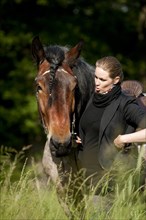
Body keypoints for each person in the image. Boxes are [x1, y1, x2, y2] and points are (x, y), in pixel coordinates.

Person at [76, 56, 146, 193]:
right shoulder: (92, 99)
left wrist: (124, 139)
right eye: (95, 77)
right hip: (83, 181)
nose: (97, 83)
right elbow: (93, 130)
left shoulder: (125, 104)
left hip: (108, 184)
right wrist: (78, 138)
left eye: (102, 80)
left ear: (116, 80)